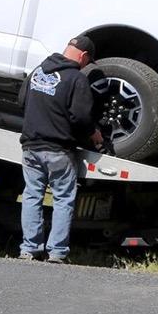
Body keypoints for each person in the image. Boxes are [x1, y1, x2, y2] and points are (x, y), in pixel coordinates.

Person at [18, 34, 103, 264]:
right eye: (88, 60)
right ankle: (56, 252)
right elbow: (81, 118)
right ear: (83, 56)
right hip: (58, 150)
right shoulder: (76, 79)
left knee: (32, 196)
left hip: (31, 146)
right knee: (63, 199)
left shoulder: (38, 71)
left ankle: (29, 249)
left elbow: (21, 101)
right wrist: (94, 134)